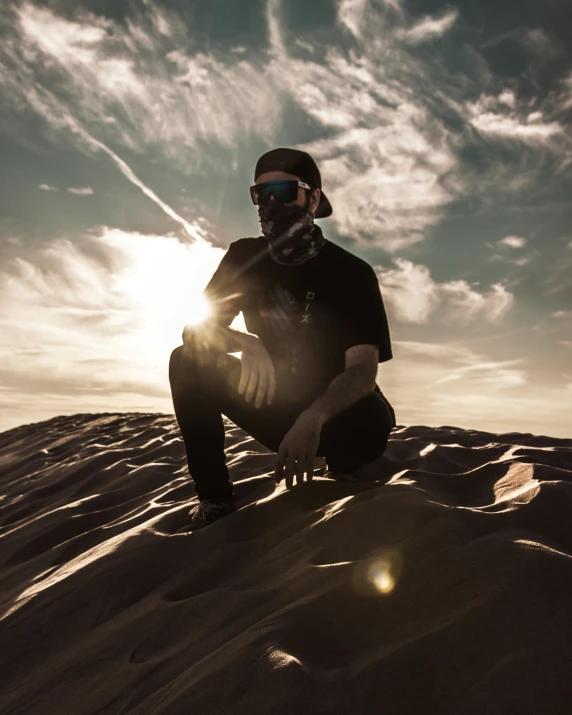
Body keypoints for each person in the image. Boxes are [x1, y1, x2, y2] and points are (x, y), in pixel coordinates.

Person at [169, 147, 396, 530]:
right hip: (273, 400)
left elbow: (362, 371)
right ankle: (215, 499)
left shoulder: (351, 273)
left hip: (335, 416)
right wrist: (245, 343)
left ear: (314, 198)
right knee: (186, 359)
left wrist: (315, 416)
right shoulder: (244, 257)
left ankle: (343, 470)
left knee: (374, 418)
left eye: (284, 191)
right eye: (261, 194)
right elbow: (195, 331)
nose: (271, 204)